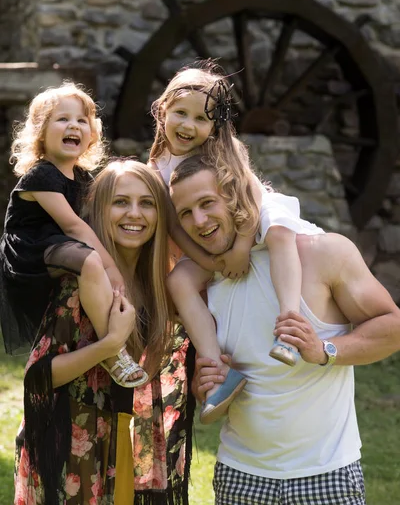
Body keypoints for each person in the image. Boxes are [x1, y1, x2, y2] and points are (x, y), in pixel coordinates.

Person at [169, 154, 400, 505]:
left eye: (207, 203)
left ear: (233, 195)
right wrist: (207, 381)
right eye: (186, 213)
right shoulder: (200, 279)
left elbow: (392, 327)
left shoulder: (322, 252)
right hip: (239, 477)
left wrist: (325, 351)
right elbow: (217, 376)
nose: (199, 221)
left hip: (327, 475)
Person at [149, 61, 323, 423]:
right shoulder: (158, 169)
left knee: (279, 232)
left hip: (252, 222)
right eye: (180, 113)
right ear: (163, 109)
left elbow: (254, 199)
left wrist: (242, 247)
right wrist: (213, 264)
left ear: (215, 125)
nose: (188, 125)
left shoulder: (222, 152)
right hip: (209, 243)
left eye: (201, 119)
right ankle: (218, 372)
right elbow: (177, 230)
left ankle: (288, 328)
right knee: (178, 280)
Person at [14, 159, 195, 505]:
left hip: (125, 442)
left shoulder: (158, 284)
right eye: (121, 202)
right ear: (99, 209)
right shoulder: (80, 280)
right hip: (70, 449)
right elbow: (37, 377)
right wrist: (110, 344)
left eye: (147, 203)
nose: (135, 214)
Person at [0, 82, 146, 387]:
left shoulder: (82, 177)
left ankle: (122, 328)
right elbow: (74, 227)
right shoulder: (41, 175)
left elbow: (93, 221)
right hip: (30, 249)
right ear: (40, 131)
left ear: (92, 134)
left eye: (82, 120)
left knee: (91, 258)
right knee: (91, 261)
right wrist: (111, 268)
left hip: (64, 246)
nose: (74, 126)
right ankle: (112, 349)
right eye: (62, 119)